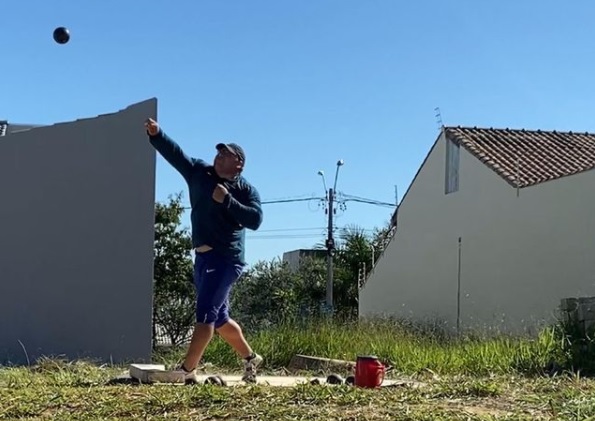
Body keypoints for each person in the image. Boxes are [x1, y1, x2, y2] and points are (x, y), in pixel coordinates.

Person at [145, 117, 264, 383]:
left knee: (205, 315)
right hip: (202, 257)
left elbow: (255, 220)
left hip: (225, 259)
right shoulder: (200, 173)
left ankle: (187, 370)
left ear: (238, 164)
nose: (219, 156)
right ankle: (250, 358)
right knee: (220, 319)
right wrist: (157, 134)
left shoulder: (245, 190)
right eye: (218, 152)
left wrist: (228, 201)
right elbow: (177, 156)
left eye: (226, 154)